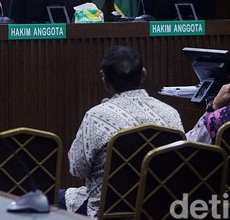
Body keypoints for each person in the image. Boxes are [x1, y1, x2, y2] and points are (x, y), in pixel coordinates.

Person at [62, 45, 184, 217]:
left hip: (107, 212)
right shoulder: (171, 114)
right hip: (161, 211)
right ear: (143, 74)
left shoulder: (96, 117)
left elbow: (77, 170)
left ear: (105, 81)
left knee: (49, 199)